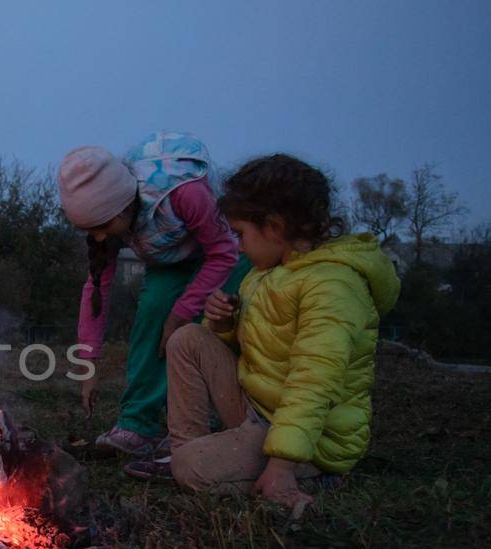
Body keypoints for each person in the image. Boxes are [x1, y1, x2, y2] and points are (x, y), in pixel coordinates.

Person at [125, 154, 400, 505]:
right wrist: (223, 324)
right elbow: (255, 343)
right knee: (188, 338)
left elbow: (314, 383)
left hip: (312, 440)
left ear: (273, 226)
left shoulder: (333, 287)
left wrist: (283, 465)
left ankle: (315, 476)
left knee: (194, 467)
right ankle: (182, 450)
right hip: (258, 409)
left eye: (241, 234)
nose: (238, 246)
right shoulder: (268, 270)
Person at [61, 132, 247, 458]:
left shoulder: (184, 192)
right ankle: (138, 426)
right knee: (151, 319)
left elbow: (223, 251)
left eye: (103, 226)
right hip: (170, 259)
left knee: (217, 327)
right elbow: (96, 289)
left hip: (223, 253)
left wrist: (181, 314)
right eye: (91, 231)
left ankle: (223, 422)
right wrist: (88, 366)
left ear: (122, 207)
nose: (100, 237)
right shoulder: (108, 224)